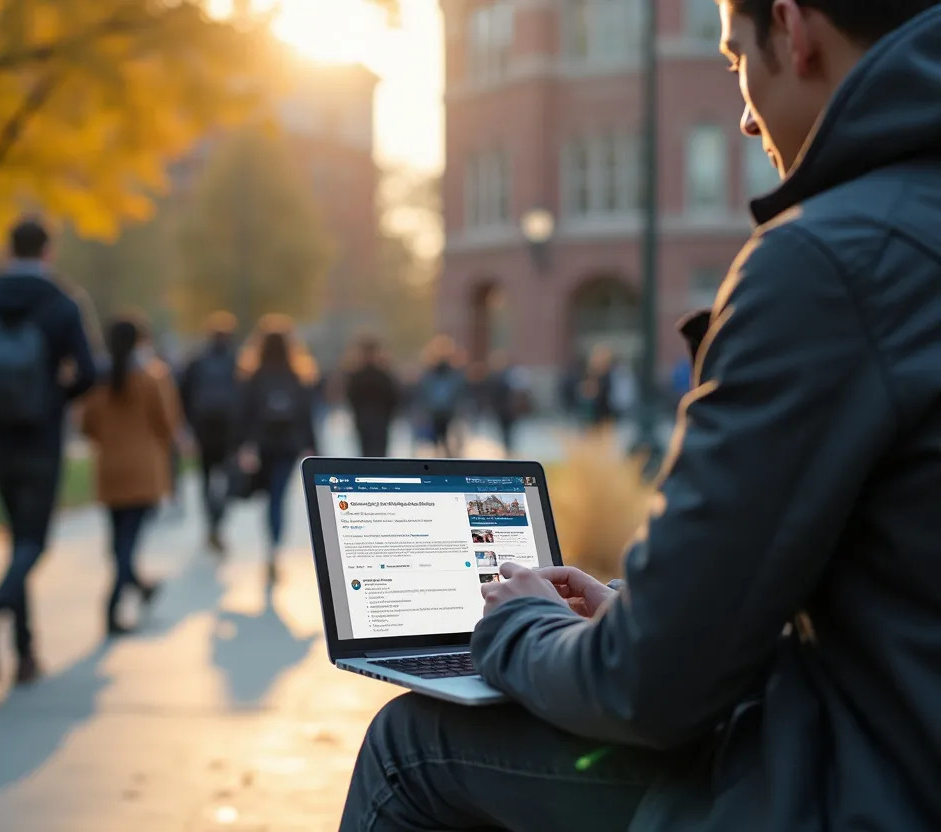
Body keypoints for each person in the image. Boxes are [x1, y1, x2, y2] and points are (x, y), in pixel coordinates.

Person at [339, 2, 941, 830]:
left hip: (869, 783)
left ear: (794, 34)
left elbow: (649, 691)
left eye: (735, 62)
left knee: (412, 749)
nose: (741, 112)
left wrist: (518, 622)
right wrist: (635, 611)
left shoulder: (835, 258)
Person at [0, 218, 96, 686]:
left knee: (20, 541)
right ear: (48, 252)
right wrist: (56, 402)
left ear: (7, 250)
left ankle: (26, 654)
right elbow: (90, 372)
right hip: (41, 438)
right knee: (35, 542)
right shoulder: (62, 303)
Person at [80, 315, 180, 637]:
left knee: (119, 543)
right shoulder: (152, 378)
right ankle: (112, 608)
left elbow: (87, 426)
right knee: (127, 545)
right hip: (143, 470)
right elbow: (166, 423)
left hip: (110, 469)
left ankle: (139, 587)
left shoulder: (98, 381)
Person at [235, 315, 318, 583]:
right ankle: (274, 550)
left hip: (263, 445)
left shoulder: (254, 376)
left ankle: (270, 547)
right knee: (279, 498)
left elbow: (244, 413)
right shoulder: (297, 375)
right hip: (289, 445)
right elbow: (306, 415)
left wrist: (244, 446)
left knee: (269, 498)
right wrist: (312, 447)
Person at [180, 311, 241, 555]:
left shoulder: (197, 362)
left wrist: (188, 425)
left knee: (205, 479)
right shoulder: (237, 362)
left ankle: (210, 523)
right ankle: (217, 521)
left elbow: (183, 394)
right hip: (229, 432)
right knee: (229, 480)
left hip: (203, 430)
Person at [344, 335, 400, 458]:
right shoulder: (383, 375)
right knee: (379, 455)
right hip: (379, 421)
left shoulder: (357, 375)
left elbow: (351, 397)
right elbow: (394, 398)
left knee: (366, 456)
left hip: (366, 420)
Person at [416, 336, 466, 458]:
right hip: (436, 414)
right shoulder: (431, 374)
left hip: (449, 414)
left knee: (448, 446)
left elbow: (460, 393)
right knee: (437, 446)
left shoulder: (453, 374)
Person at [486, 351, 531, 455]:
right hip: (502, 410)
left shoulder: (511, 377)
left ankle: (508, 447)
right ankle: (507, 447)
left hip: (508, 410)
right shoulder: (497, 378)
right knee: (504, 431)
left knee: (508, 431)